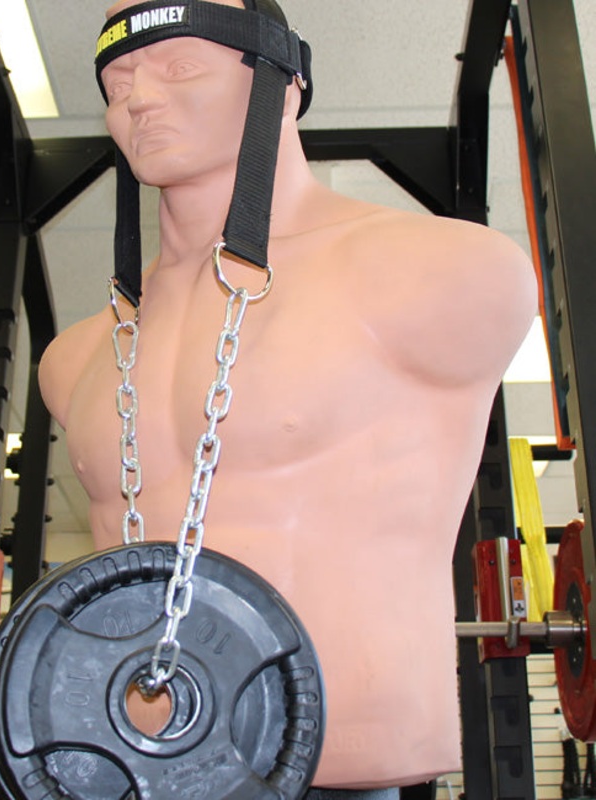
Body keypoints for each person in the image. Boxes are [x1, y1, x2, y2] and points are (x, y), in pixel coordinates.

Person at [39, 0, 538, 796]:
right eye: (119, 82)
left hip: (345, 757)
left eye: (179, 67)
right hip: (136, 762)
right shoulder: (76, 359)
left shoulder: (438, 272)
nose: (140, 99)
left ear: (283, 84)